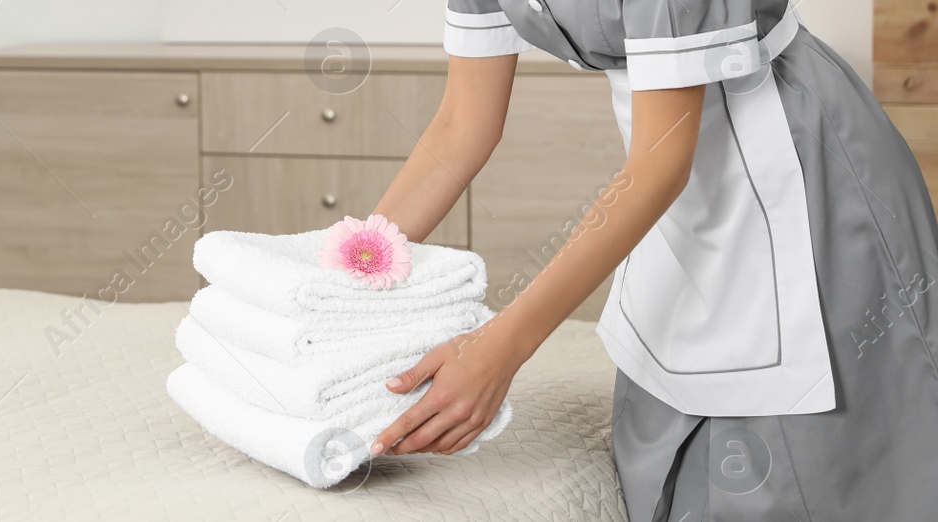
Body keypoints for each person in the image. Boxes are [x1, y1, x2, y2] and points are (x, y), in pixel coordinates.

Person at [365, 1, 938, 520]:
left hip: (801, 175)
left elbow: (662, 162)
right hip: (669, 177)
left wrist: (500, 348)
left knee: (808, 464)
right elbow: (463, 122)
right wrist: (353, 268)